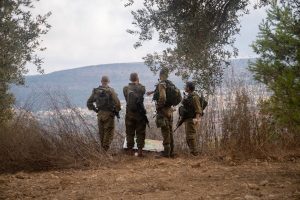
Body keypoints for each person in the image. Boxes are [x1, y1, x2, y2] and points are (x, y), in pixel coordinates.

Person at [87, 76, 121, 152]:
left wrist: (96, 110)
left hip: (100, 114)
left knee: (102, 133)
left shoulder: (96, 91)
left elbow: (89, 103)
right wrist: (116, 111)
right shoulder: (111, 91)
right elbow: (118, 103)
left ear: (101, 81)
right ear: (108, 81)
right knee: (109, 133)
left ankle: (102, 151)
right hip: (109, 114)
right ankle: (105, 151)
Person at [147, 68, 175, 158]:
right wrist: (152, 92)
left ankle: (166, 153)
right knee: (170, 131)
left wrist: (159, 106)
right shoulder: (169, 83)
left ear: (160, 75)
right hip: (170, 110)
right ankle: (171, 152)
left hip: (163, 111)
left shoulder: (161, 84)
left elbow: (162, 97)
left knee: (165, 132)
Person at [123, 73, 147, 157]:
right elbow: (143, 91)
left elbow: (127, 98)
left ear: (130, 79)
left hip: (129, 113)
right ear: (137, 78)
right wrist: (138, 83)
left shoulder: (125, 88)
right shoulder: (142, 88)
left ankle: (130, 150)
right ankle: (140, 151)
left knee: (130, 132)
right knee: (140, 132)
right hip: (140, 113)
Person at [181, 81, 202, 156]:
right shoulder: (189, 96)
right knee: (188, 137)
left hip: (192, 119)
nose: (185, 87)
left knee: (191, 136)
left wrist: (197, 119)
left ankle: (195, 153)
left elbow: (198, 109)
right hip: (188, 119)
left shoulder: (194, 97)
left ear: (189, 88)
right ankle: (192, 152)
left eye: (186, 86)